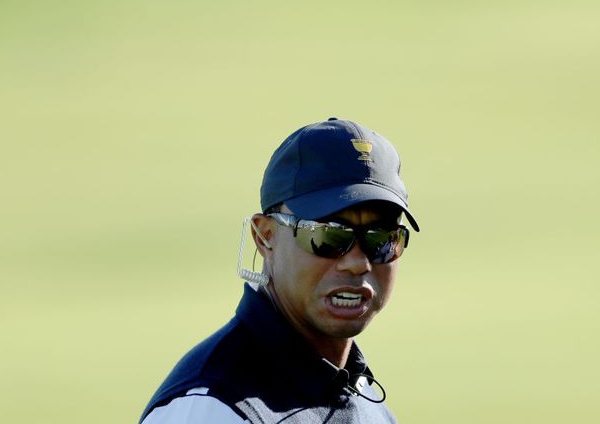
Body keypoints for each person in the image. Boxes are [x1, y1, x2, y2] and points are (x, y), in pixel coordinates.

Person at [139, 118, 420, 423]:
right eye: (328, 235)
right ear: (265, 237)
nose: (358, 262)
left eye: (381, 238)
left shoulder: (360, 393)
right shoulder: (211, 408)